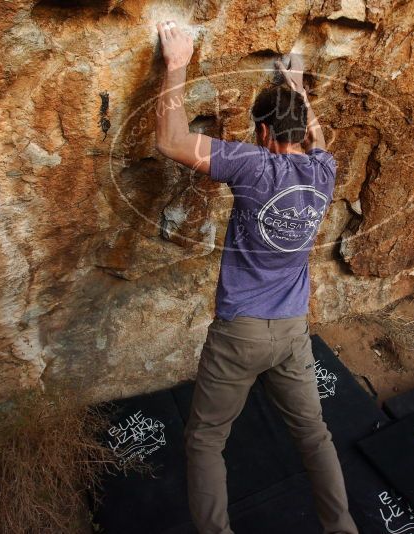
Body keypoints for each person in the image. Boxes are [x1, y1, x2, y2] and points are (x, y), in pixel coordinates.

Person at [154, 20, 358, 534]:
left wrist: (176, 62)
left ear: (263, 134)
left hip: (240, 331)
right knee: (314, 436)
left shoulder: (252, 165)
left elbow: (171, 140)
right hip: (292, 331)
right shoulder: (324, 171)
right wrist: (296, 88)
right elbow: (317, 136)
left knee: (205, 439)